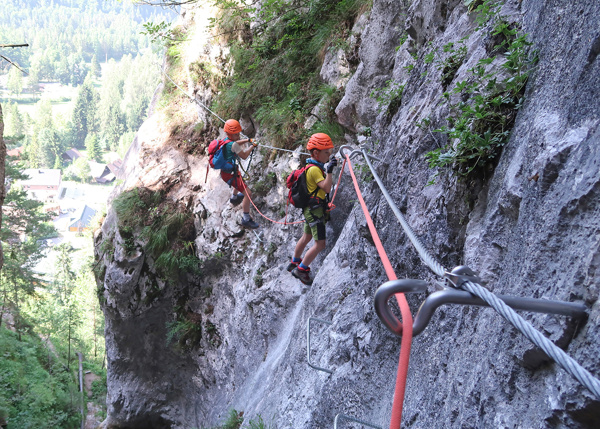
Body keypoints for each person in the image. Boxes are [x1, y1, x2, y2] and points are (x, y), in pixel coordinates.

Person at [289, 133, 338, 285]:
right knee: (320, 244)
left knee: (306, 237)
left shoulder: (311, 166)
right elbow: (327, 188)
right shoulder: (315, 170)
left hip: (310, 210)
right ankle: (302, 269)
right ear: (316, 153)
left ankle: (294, 261)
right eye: (326, 152)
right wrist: (329, 171)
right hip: (315, 212)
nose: (328, 155)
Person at [220, 119, 260, 229]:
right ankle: (246, 219)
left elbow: (235, 143)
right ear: (230, 134)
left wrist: (247, 140)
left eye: (238, 133)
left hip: (228, 172)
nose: (238, 135)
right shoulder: (233, 145)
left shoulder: (226, 140)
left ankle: (234, 198)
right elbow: (244, 155)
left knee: (239, 179)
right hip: (230, 174)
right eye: (236, 134)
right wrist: (252, 146)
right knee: (248, 193)